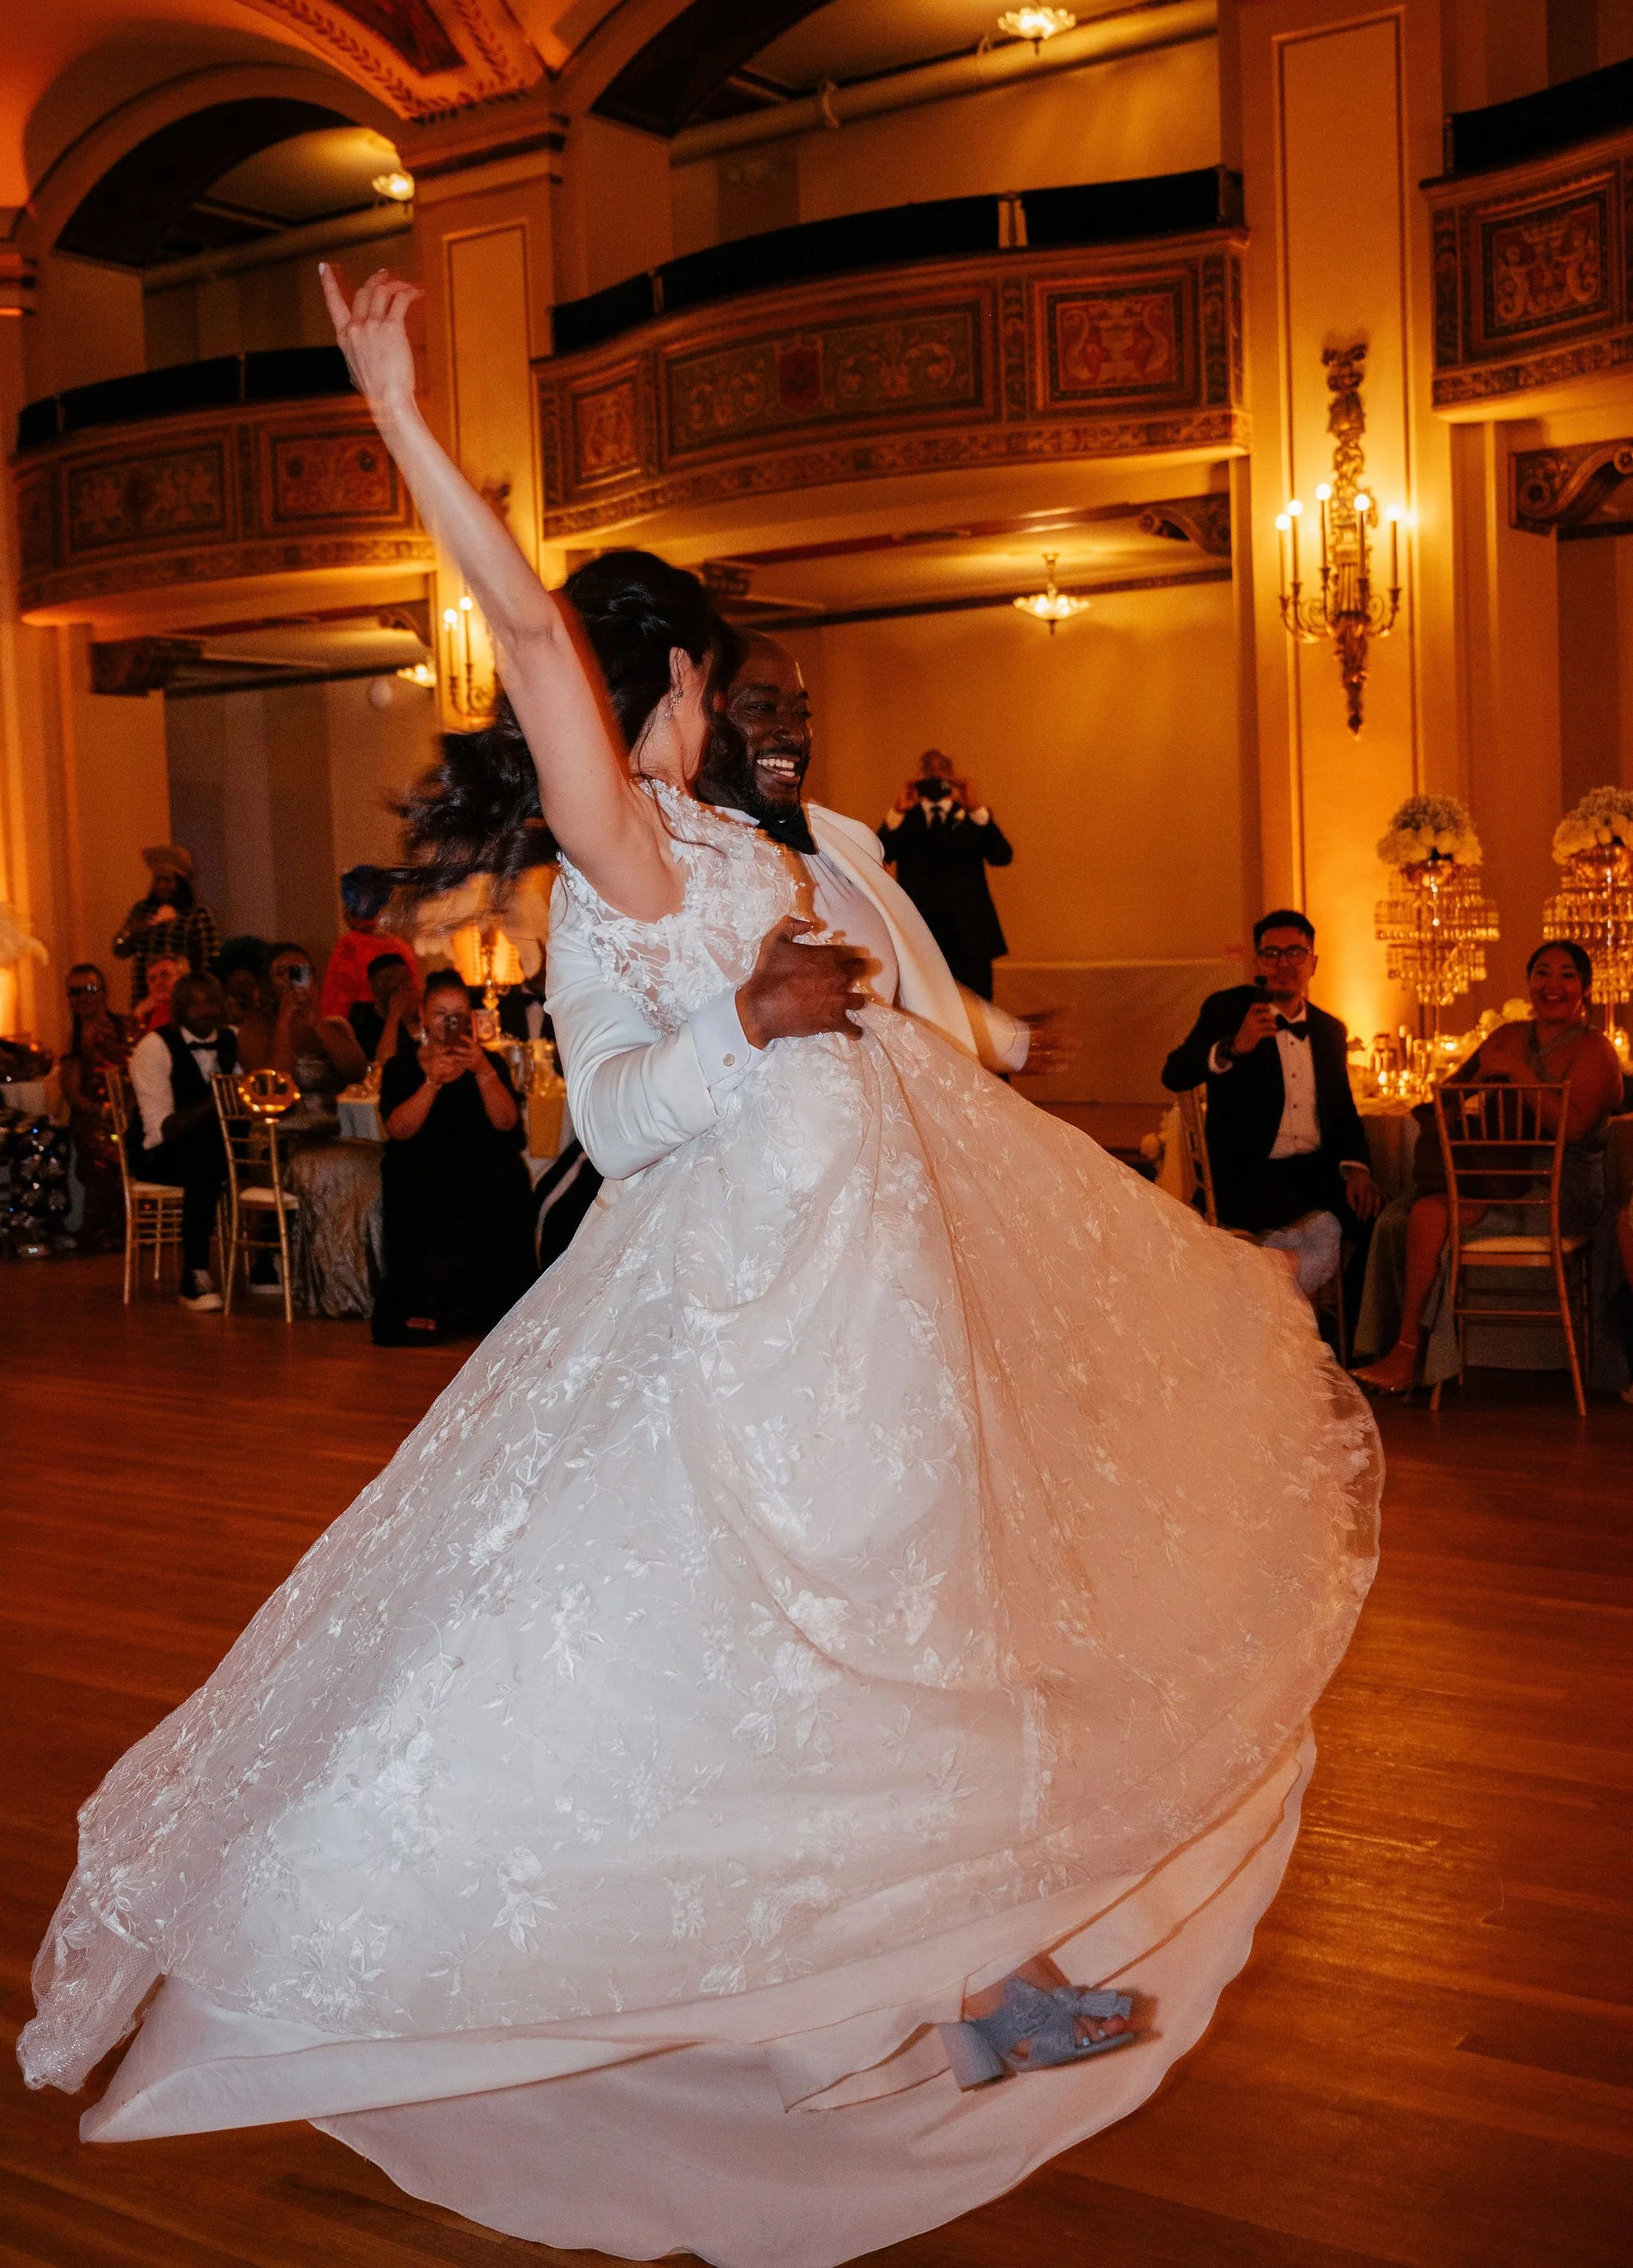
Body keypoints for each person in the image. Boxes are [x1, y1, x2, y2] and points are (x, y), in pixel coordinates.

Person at [19, 265, 1381, 2268]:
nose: (718, 709)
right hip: (756, 1306)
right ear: (652, 680)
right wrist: (395, 405)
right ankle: (860, 1984)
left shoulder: (729, 839)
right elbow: (628, 1108)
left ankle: (973, 1956)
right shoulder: (616, 858)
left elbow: (853, 1015)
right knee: (809, 1656)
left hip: (874, 1279)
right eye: (705, 680)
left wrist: (928, 1044)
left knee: (941, 1617)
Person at [546, 631, 1051, 1209]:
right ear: (694, 716)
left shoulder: (843, 842)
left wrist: (1009, 1040)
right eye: (761, 707)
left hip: (888, 1202)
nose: (793, 732)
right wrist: (748, 1019)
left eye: (801, 713)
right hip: (726, 1229)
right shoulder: (612, 879)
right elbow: (606, 1130)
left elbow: (893, 996)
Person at [1353, 941, 1623, 1394]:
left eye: (1566, 975)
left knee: (1429, 1214)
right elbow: (1448, 1097)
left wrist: (1521, 1076)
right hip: (1493, 1171)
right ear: (1528, 981)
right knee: (1398, 1215)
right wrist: (1471, 1090)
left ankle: (1409, 1354)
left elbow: (1573, 1130)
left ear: (1586, 990)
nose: (1552, 985)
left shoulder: (1595, 1050)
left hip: (1556, 1189)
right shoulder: (1507, 1035)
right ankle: (1386, 1349)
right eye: (1542, 972)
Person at [1162, 910, 1382, 1302]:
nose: (1284, 963)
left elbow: (1342, 1109)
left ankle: (1333, 1335)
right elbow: (1174, 1073)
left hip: (1314, 1173)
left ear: (1313, 962)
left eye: (1295, 952)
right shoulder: (1229, 1010)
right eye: (1272, 954)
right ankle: (1291, 1306)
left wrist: (1357, 1169)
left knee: (1375, 1219)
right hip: (1248, 1172)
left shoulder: (1330, 1030)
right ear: (1257, 963)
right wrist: (1233, 1047)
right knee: (1321, 1227)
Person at [372, 966, 534, 1344]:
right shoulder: (402, 1066)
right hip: (421, 1164)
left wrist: (481, 1071)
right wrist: (432, 1082)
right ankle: (421, 1306)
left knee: (506, 1178)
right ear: (425, 1018)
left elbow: (507, 1123)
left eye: (458, 1013)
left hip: (481, 1163)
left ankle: (497, 1305)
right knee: (412, 1185)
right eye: (441, 1013)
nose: (450, 1021)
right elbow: (398, 1128)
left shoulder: (489, 1063)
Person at [124, 969, 237, 1312]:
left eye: (211, 1003)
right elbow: (162, 1130)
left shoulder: (233, 1038)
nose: (205, 1012)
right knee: (204, 1162)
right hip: (157, 1153)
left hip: (215, 1149)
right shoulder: (155, 1047)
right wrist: (218, 1097)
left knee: (276, 1153)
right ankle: (194, 1273)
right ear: (179, 1010)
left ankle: (269, 1264)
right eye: (194, 1006)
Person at [877, 748, 1013, 1000]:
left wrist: (975, 808)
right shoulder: (905, 818)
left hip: (971, 934)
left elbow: (1002, 856)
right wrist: (897, 811)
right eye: (928, 771)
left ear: (952, 776)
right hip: (922, 934)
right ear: (918, 777)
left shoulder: (974, 816)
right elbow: (878, 856)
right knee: (929, 1007)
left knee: (981, 1012)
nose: (935, 777)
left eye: (942, 770)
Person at [234, 941, 368, 1117]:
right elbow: (271, 1089)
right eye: (281, 974)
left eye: (299, 972)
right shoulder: (256, 1026)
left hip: (333, 1129)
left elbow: (357, 1074)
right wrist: (284, 1021)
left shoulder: (335, 1026)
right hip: (279, 1132)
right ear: (269, 984)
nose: (292, 981)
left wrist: (316, 1023)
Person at [57, 964, 134, 1254]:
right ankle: (102, 1233)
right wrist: (105, 1112)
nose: (83, 998)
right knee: (102, 1151)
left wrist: (128, 1111)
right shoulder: (73, 1038)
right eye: (75, 992)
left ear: (104, 992)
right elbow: (72, 1092)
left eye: (90, 989)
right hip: (93, 1117)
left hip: (131, 1113)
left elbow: (140, 1074)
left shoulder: (126, 1027)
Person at [112, 844, 219, 1009]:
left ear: (180, 883)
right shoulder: (142, 911)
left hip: (182, 1002)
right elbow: (119, 950)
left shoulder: (197, 914)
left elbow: (208, 961)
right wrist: (134, 930)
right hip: (144, 1000)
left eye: (167, 880)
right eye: (157, 880)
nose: (161, 885)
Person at [320, 865, 419, 1024]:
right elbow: (414, 999)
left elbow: (335, 1006)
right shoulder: (402, 947)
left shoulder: (349, 946)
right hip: (400, 1031)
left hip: (363, 1031)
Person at [348, 950, 415, 1065]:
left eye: (407, 980)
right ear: (376, 988)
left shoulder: (419, 1016)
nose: (406, 987)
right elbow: (382, 1066)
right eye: (397, 981)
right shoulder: (362, 1022)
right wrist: (394, 1015)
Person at [132, 952, 188, 1037]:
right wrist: (138, 1017)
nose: (158, 982)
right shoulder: (144, 1015)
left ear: (183, 979)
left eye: (165, 975)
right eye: (152, 979)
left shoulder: (193, 1013)